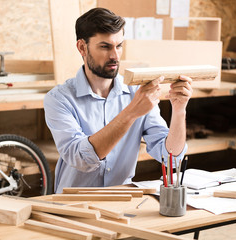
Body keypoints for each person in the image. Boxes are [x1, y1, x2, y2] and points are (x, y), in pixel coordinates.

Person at [44, 7, 193, 193]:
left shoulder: (136, 92)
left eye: (119, 46)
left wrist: (179, 111)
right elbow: (81, 158)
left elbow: (171, 157)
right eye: (105, 47)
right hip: (75, 204)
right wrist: (131, 112)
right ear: (82, 47)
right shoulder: (59, 99)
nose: (115, 56)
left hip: (121, 200)